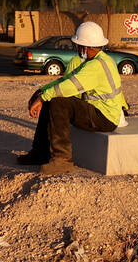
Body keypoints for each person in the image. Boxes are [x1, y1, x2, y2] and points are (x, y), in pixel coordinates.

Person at [17, 21, 127, 171]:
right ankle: (40, 153)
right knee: (52, 99)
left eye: (78, 45)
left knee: (58, 102)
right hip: (100, 112)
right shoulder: (99, 60)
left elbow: (69, 87)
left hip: (104, 118)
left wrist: (43, 97)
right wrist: (42, 92)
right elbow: (67, 80)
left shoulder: (95, 67)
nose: (77, 48)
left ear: (84, 47)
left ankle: (62, 160)